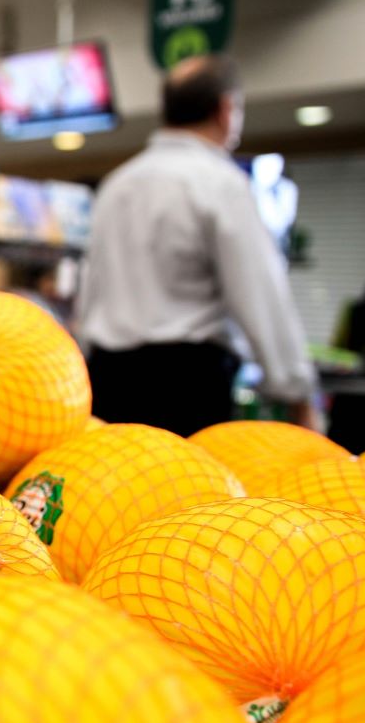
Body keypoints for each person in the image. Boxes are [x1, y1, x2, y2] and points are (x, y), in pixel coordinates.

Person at [75, 54, 320, 436]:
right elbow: (258, 293)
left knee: (115, 492)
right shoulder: (220, 183)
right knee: (188, 495)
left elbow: (91, 290)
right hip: (186, 385)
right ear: (226, 110)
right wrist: (297, 394)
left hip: (108, 378)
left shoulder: (116, 184)